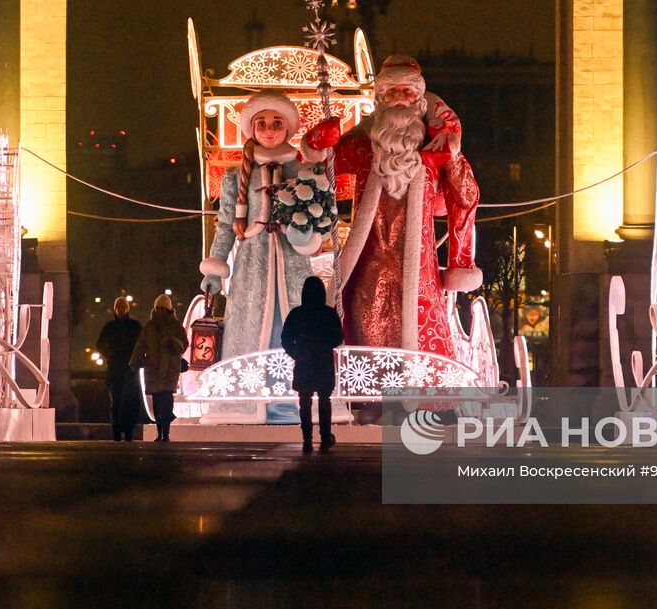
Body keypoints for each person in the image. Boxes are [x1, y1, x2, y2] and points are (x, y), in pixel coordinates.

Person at [303, 55, 482, 357]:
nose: (400, 98)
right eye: (391, 92)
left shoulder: (434, 149)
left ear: (419, 99)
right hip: (367, 267)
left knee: (420, 333)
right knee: (365, 330)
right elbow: (319, 166)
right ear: (381, 99)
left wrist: (451, 157)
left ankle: (421, 400)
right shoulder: (363, 146)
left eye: (407, 91)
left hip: (419, 271)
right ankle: (372, 400)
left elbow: (466, 196)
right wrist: (321, 140)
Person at [200, 90, 321, 422]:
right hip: (252, 269)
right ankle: (249, 402)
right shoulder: (234, 177)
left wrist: (310, 231)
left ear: (288, 127)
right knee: (254, 329)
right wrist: (215, 268)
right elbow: (226, 226)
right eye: (262, 123)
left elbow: (319, 222)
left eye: (277, 123)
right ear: (252, 128)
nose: (269, 130)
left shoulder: (304, 173)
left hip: (293, 268)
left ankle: (293, 403)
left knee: (292, 330)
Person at [281, 276, 345, 453]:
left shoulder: (297, 314)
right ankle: (325, 437)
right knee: (325, 401)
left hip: (304, 363)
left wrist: (296, 353)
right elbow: (338, 337)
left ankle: (307, 439)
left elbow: (285, 338)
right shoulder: (328, 314)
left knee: (305, 401)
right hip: (323, 363)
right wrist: (325, 346)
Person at [131, 294, 188, 442]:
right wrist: (135, 360)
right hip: (154, 368)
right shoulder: (150, 327)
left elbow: (184, 343)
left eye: (163, 308)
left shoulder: (175, 327)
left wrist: (170, 342)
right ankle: (161, 432)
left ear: (168, 309)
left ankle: (165, 433)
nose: (160, 311)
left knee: (166, 401)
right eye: (158, 308)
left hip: (168, 368)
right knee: (158, 401)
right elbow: (141, 344)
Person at [96, 297, 142, 442]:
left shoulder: (132, 326)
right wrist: (110, 356)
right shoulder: (127, 326)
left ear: (127, 308)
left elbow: (142, 344)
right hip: (118, 369)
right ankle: (118, 432)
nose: (121, 309)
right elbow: (100, 344)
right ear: (115, 309)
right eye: (119, 307)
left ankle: (127, 431)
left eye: (123, 307)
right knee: (117, 402)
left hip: (127, 369)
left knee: (128, 401)